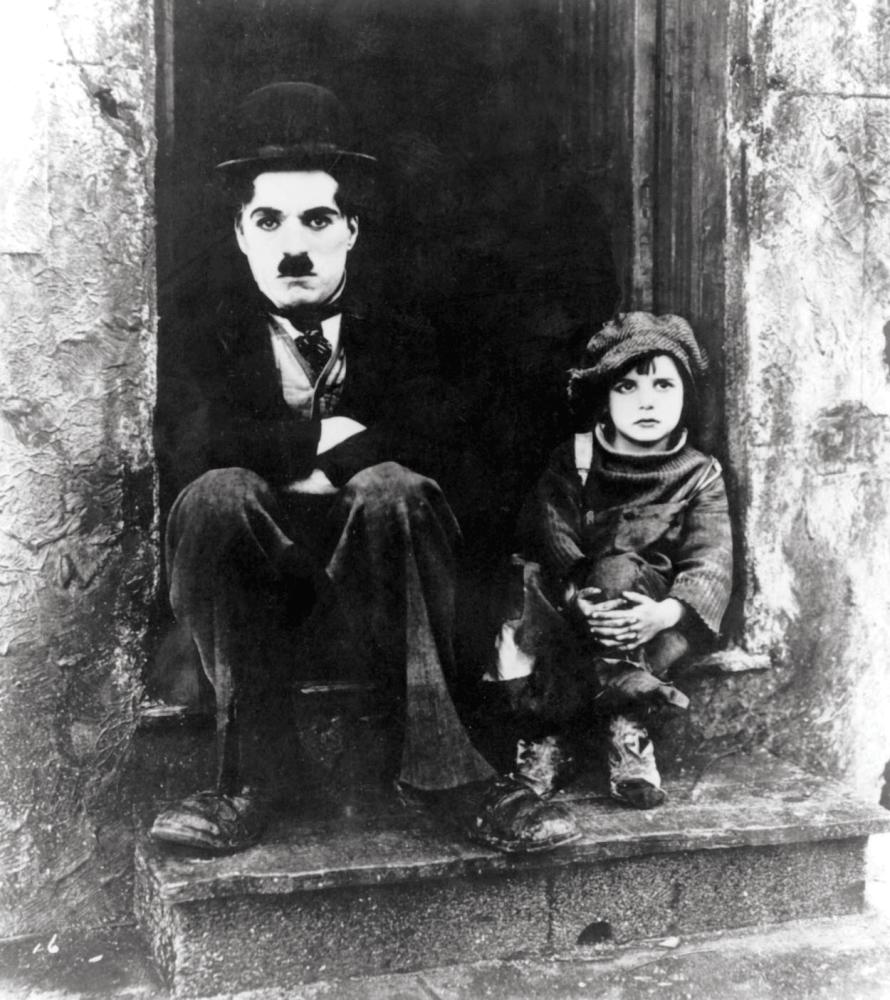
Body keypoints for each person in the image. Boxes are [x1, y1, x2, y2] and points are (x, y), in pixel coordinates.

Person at [149, 81, 579, 855]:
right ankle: (253, 777)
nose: (292, 246)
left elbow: (461, 442)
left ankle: (451, 772)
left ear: (352, 228)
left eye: (316, 220)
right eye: (268, 220)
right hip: (255, 607)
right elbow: (187, 448)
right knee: (215, 495)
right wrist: (330, 445)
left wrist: (343, 461)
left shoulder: (414, 320)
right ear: (240, 234)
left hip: (395, 599)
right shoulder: (197, 325)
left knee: (393, 489)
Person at [485, 312, 733, 808]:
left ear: (686, 396)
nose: (647, 400)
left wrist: (663, 614)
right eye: (627, 386)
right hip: (573, 606)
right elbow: (552, 531)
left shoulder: (699, 473)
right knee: (518, 597)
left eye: (664, 384)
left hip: (646, 621)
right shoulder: (575, 458)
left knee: (620, 569)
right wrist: (579, 595)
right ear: (604, 395)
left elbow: (711, 557)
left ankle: (628, 728)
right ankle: (547, 738)